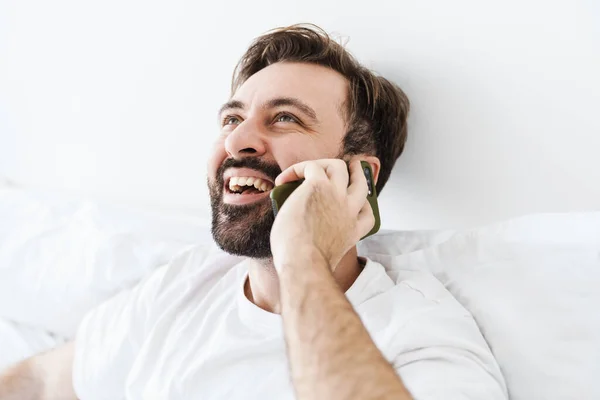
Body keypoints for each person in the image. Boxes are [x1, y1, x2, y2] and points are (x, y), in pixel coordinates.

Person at [0, 24, 507, 399]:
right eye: (233, 118)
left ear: (358, 178)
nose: (238, 140)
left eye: (285, 118)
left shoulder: (418, 332)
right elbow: (44, 382)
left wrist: (303, 255)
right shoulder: (186, 288)